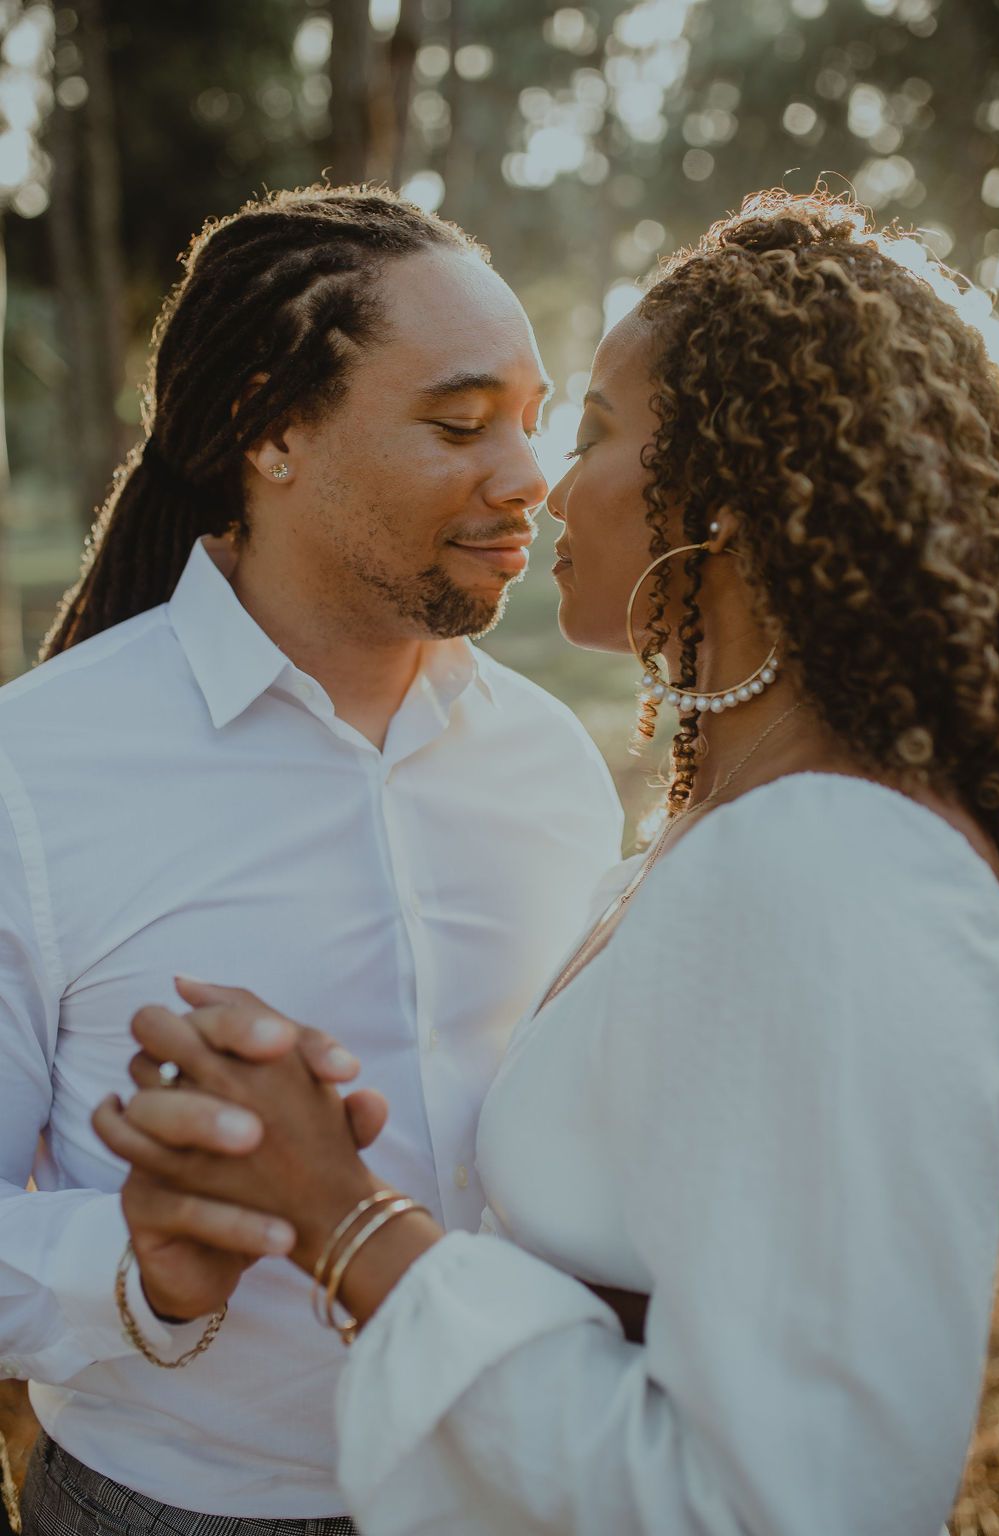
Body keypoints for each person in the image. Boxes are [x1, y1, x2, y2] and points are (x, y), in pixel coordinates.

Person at [97, 187, 999, 1535]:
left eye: (584, 426)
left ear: (728, 492)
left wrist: (340, 1214)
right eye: (482, 425)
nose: (541, 478)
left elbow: (792, 1510)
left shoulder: (831, 870)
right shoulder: (724, 832)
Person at [0, 185, 624, 1534]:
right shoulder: (32, 778)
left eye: (534, 416)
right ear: (271, 431)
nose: (531, 474)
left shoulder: (556, 770)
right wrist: (140, 1270)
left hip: (524, 1491)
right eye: (462, 423)